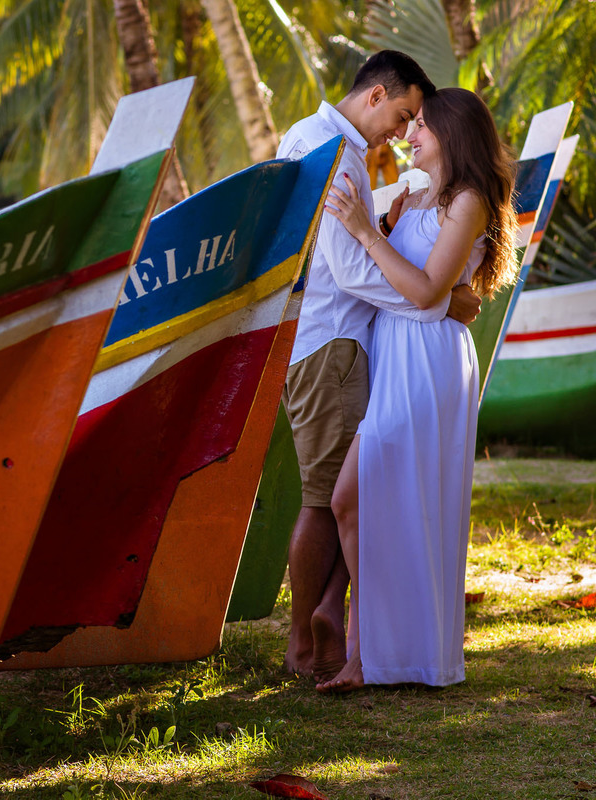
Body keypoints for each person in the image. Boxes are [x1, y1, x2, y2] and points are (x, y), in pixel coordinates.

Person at [277, 51, 482, 681]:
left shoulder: (308, 138)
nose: (402, 131)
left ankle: (333, 634)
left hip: (343, 346)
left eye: (415, 122)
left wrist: (431, 287)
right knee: (330, 498)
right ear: (376, 96)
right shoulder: (335, 156)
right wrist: (439, 302)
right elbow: (351, 270)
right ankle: (309, 642)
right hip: (337, 343)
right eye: (401, 115)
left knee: (349, 495)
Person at [317, 88, 519, 691]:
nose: (409, 136)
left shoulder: (469, 202)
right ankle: (368, 655)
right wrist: (377, 227)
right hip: (394, 351)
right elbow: (404, 286)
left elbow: (428, 289)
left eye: (422, 126)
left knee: (384, 500)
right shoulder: (410, 193)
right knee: (360, 502)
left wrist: (365, 232)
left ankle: (402, 656)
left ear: (452, 135)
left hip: (429, 362)